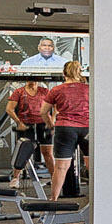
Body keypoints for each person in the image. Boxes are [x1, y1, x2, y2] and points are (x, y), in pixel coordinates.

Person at [45, 60, 91, 201]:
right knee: (92, 165)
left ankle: (53, 200)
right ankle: (100, 199)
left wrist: (51, 123)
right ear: (80, 72)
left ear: (63, 73)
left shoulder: (57, 90)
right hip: (87, 128)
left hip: (65, 128)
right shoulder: (88, 88)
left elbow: (43, 112)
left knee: (61, 167)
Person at [8, 75, 53, 188]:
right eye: (29, 80)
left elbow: (56, 106)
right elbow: (9, 109)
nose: (31, 82)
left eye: (33, 80)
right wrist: (19, 123)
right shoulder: (19, 92)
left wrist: (52, 120)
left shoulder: (45, 91)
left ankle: (54, 178)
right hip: (26, 125)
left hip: (43, 124)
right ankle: (15, 178)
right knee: (23, 153)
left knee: (47, 153)